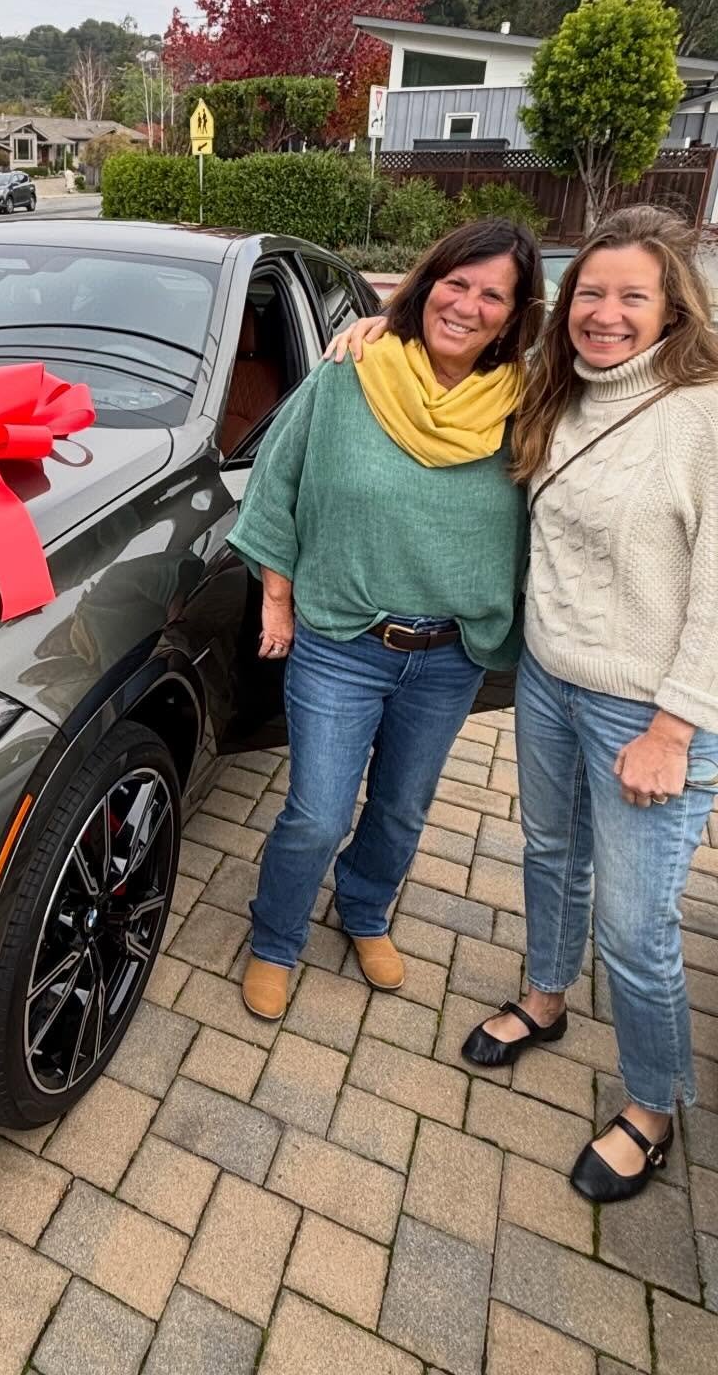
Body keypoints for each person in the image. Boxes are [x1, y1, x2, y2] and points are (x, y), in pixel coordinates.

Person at [329, 205, 718, 1203]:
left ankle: (651, 1107)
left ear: (675, 304)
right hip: (549, 681)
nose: (608, 314)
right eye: (592, 292)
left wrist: (675, 725)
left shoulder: (705, 414)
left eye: (634, 296)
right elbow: (445, 364)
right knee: (550, 856)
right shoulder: (557, 391)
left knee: (636, 929)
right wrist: (380, 325)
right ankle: (545, 999)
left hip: (651, 715)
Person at [229, 219, 544, 1020]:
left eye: (492, 294)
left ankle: (365, 911)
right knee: (317, 811)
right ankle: (275, 937)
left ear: (514, 316)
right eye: (457, 282)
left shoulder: (529, 405)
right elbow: (278, 476)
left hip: (448, 656)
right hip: (341, 642)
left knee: (403, 806)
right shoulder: (354, 369)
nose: (468, 305)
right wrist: (277, 595)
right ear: (426, 282)